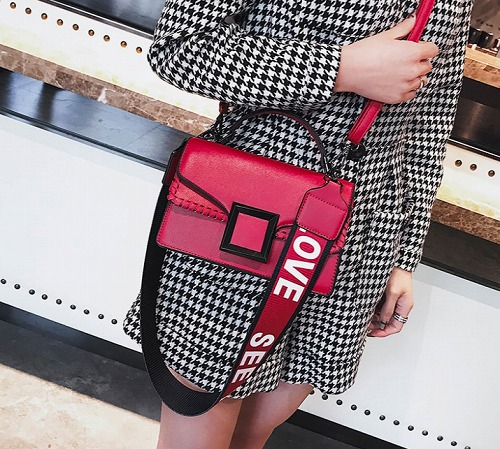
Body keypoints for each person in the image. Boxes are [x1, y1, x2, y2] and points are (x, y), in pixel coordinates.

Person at [123, 1, 473, 448]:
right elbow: (179, 48)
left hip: (364, 232)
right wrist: (339, 69)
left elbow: (428, 126)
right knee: (205, 407)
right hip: (253, 206)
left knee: (263, 418)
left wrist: (404, 256)